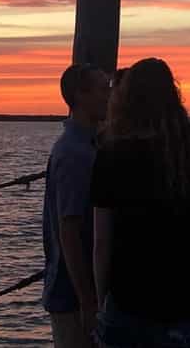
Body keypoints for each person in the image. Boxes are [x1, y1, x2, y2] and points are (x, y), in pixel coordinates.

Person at [90, 57, 190, 348]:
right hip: (185, 305)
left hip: (127, 305)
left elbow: (102, 242)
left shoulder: (110, 157)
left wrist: (100, 305)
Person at [42, 63, 110, 347]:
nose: (109, 96)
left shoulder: (88, 146)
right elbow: (69, 231)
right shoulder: (75, 153)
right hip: (74, 298)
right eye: (102, 89)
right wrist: (88, 302)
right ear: (81, 96)